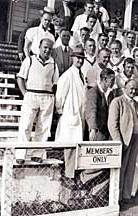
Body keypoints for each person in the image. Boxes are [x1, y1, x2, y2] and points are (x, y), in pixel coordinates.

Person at [16, 38, 59, 164]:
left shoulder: (54, 63)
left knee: (43, 127)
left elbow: (55, 83)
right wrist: (25, 93)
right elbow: (20, 78)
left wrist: (53, 97)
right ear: (39, 47)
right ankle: (21, 155)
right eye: (45, 47)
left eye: (50, 48)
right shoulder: (29, 60)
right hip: (31, 95)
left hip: (47, 97)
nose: (47, 50)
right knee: (25, 125)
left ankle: (37, 154)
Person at [55, 45, 87, 178]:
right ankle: (68, 176)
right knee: (69, 147)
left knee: (76, 147)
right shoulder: (67, 75)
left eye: (81, 58)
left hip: (80, 115)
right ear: (72, 58)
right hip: (70, 114)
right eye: (77, 58)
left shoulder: (81, 75)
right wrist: (61, 111)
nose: (79, 61)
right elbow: (60, 96)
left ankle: (72, 174)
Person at [108, 79, 138, 202]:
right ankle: (116, 197)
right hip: (124, 139)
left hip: (135, 137)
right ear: (125, 88)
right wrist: (119, 142)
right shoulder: (117, 102)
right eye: (131, 88)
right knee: (121, 169)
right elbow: (112, 125)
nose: (133, 91)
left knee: (131, 167)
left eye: (135, 89)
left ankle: (126, 195)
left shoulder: (136, 103)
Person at [86, 68, 117, 141]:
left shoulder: (111, 93)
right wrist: (93, 129)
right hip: (98, 133)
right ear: (105, 79)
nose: (113, 83)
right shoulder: (93, 92)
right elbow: (91, 111)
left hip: (108, 132)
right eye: (112, 80)